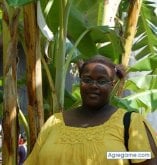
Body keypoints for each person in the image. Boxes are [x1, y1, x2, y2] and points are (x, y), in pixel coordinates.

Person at [24, 55, 157, 165]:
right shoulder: (54, 122)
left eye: (102, 81)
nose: (93, 86)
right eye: (87, 80)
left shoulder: (131, 123)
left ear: (112, 85)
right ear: (80, 82)